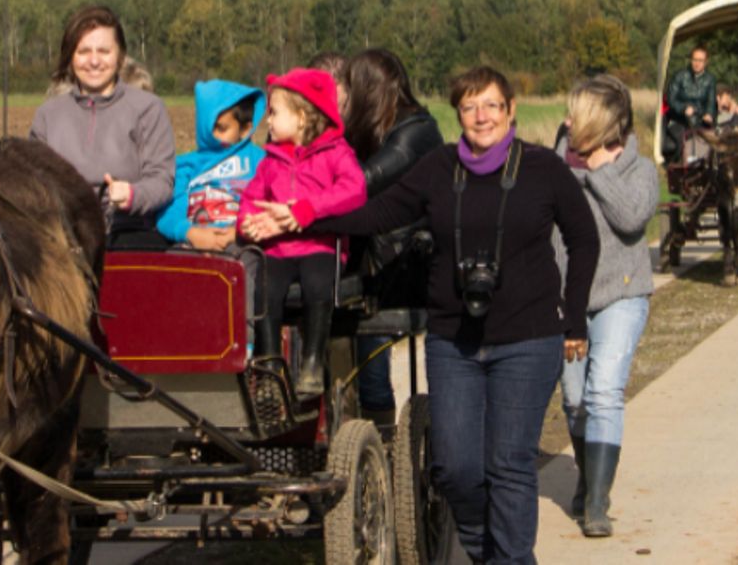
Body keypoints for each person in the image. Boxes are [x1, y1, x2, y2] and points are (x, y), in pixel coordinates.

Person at [244, 65, 598, 564]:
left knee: (510, 463)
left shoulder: (543, 169)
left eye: (492, 105)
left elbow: (584, 239)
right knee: (455, 468)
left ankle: (512, 560)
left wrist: (574, 315)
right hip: (454, 339)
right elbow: (379, 213)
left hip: (528, 337)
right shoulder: (439, 168)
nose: (482, 116)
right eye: (470, 106)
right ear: (458, 113)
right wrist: (304, 213)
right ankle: (483, 550)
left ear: (511, 110)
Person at [552, 75, 659, 539]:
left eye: (577, 113)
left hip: (622, 294)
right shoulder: (556, 166)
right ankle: (588, 473)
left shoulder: (640, 170)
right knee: (574, 399)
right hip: (569, 302)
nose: (567, 120)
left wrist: (596, 172)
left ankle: (596, 500)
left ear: (601, 122)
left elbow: (631, 218)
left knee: (603, 393)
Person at [237, 68, 366, 398]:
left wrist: (307, 209)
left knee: (317, 284)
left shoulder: (336, 153)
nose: (268, 122)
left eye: (274, 113)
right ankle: (269, 367)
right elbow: (252, 197)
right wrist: (248, 223)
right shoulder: (271, 161)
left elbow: (354, 190)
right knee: (266, 291)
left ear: (302, 117)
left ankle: (311, 362)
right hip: (279, 249)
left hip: (319, 246)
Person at [340, 48, 444, 429]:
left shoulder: (415, 133)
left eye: (349, 88)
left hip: (401, 266)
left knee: (371, 355)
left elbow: (362, 182)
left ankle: (382, 440)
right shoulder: (377, 129)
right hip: (376, 261)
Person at [29, 5, 177, 248]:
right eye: (84, 51)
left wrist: (130, 195)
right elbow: (33, 182)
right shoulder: (48, 115)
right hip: (61, 237)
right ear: (70, 57)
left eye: (104, 51)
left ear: (119, 56)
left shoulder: (148, 108)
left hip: (127, 231)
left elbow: (161, 181)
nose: (94, 61)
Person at [157, 81, 266, 251]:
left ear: (245, 129)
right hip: (193, 240)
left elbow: (270, 204)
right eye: (208, 127)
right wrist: (190, 233)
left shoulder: (261, 161)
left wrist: (239, 232)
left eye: (221, 129)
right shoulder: (186, 165)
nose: (212, 135)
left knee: (242, 266)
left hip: (239, 240)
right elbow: (169, 211)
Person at [664, 46, 717, 160]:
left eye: (700, 60)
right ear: (690, 60)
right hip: (679, 120)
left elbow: (711, 101)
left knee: (713, 145)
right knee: (680, 143)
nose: (697, 63)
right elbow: (670, 99)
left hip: (700, 120)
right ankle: (675, 168)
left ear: (706, 62)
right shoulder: (680, 76)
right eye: (694, 59)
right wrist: (683, 108)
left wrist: (709, 113)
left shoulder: (710, 79)